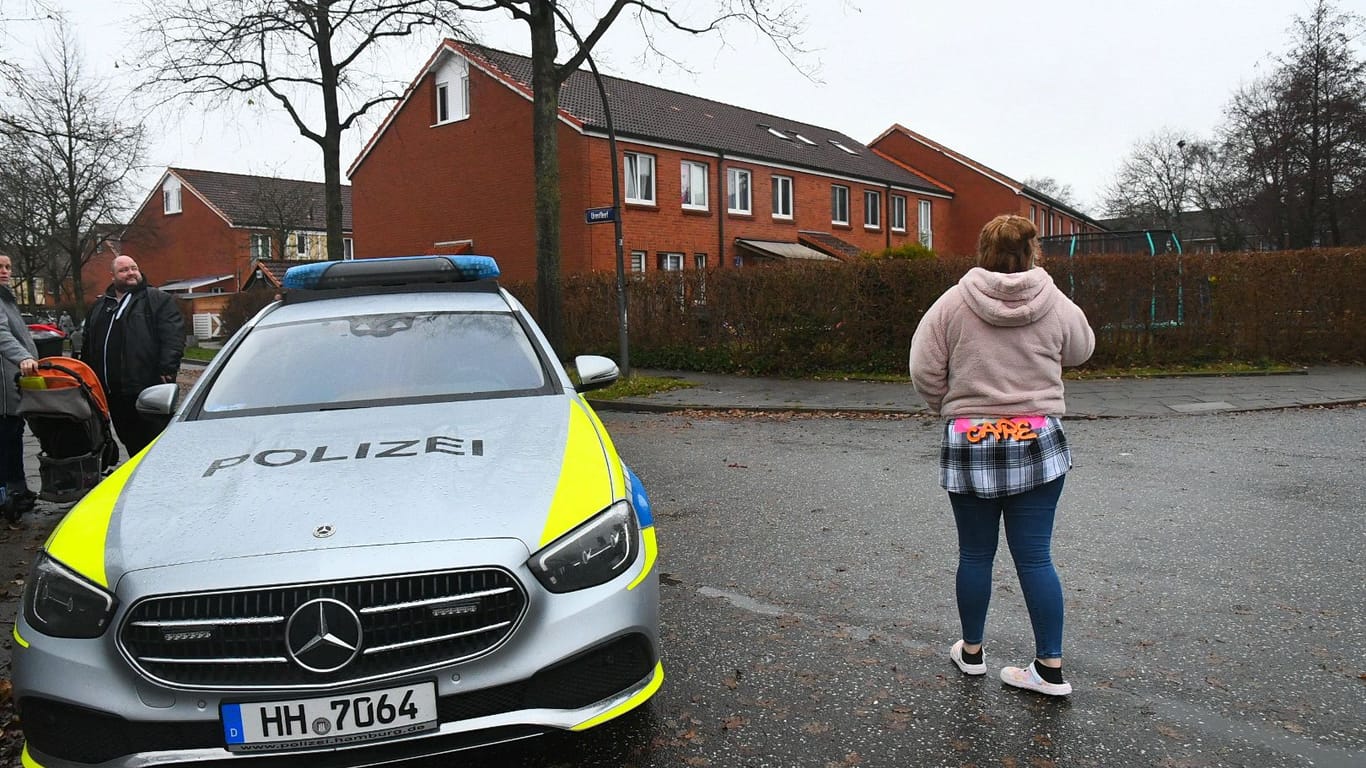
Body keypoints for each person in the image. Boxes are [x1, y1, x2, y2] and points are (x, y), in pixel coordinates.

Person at [909, 214, 1095, 697]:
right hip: (1037, 437)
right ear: (1032, 251)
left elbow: (923, 369)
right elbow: (1081, 349)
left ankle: (972, 654)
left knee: (975, 553)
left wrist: (950, 409)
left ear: (982, 250)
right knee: (1035, 558)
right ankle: (1048, 668)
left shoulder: (952, 304)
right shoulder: (1053, 301)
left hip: (971, 439)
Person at [80, 255, 185, 458]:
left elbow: (173, 335)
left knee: (154, 442)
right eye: (124, 270)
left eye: (133, 268)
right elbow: (88, 342)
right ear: (112, 276)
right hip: (112, 392)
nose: (130, 273)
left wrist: (168, 368)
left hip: (145, 387)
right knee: (129, 439)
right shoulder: (100, 306)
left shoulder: (156, 300)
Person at [0, 255, 41, 514]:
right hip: (3, 391)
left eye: (7, 267)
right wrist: (24, 356)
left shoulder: (6, 299)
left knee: (14, 440)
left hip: (12, 386)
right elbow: (1, 334)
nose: (4, 271)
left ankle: (18, 489)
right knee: (6, 442)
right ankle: (7, 495)